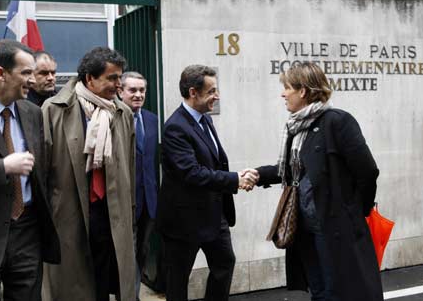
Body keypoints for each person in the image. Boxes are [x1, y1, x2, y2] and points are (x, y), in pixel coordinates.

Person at [254, 62, 383, 300]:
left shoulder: (337, 122)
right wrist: (258, 174)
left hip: (333, 227)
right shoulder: (296, 127)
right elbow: (291, 171)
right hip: (304, 229)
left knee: (339, 292)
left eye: (287, 88)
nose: (283, 94)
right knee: (319, 291)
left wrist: (354, 211)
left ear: (303, 91)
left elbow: (367, 172)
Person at [157, 64, 259, 301]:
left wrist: (234, 178)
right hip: (183, 222)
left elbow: (213, 163)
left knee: (224, 264)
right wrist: (235, 180)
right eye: (212, 91)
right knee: (178, 281)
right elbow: (192, 173)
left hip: (214, 215)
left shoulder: (204, 119)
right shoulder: (175, 127)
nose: (217, 95)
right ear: (193, 92)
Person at [41, 47, 136, 301]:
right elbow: (43, 171)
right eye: (112, 78)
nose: (119, 85)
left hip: (111, 212)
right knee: (76, 284)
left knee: (106, 279)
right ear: (89, 78)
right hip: (71, 212)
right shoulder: (54, 109)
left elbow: (130, 166)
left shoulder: (122, 112)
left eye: (120, 77)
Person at [0, 39, 60, 301]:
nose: (33, 80)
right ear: (1, 73)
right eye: (26, 73)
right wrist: (2, 167)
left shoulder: (32, 112)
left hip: (28, 232)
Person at [119, 71, 159, 301]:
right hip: (124, 201)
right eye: (132, 90)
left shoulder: (152, 120)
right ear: (120, 91)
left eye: (142, 90)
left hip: (149, 202)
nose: (138, 95)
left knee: (142, 252)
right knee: (126, 255)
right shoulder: (111, 119)